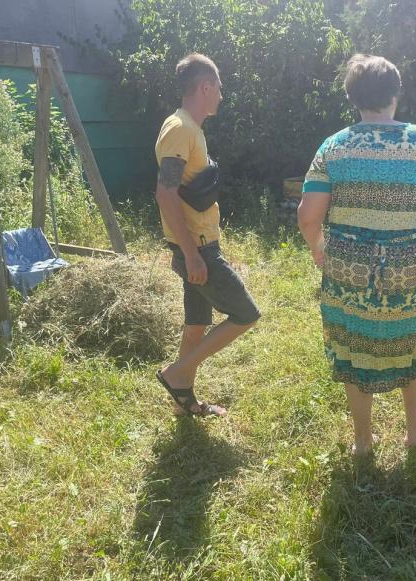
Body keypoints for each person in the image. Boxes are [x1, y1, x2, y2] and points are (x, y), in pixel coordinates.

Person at [298, 54, 416, 454]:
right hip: (410, 268)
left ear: (353, 98)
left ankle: (363, 441)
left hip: (348, 270)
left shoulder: (333, 147)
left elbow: (308, 217)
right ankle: (414, 431)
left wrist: (318, 250)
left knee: (353, 345)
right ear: (395, 93)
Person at [154, 53, 260, 417]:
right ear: (205, 87)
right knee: (246, 313)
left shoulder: (189, 128)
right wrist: (192, 255)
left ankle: (184, 401)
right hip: (197, 249)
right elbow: (165, 193)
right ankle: (176, 373)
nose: (221, 96)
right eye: (219, 88)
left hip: (196, 245)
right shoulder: (180, 128)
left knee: (196, 325)